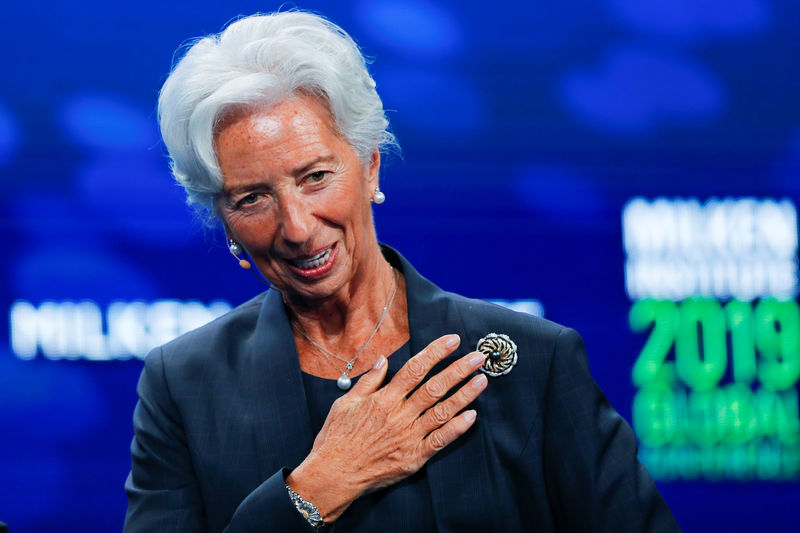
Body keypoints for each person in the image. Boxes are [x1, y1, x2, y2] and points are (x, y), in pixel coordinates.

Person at [124, 10, 679, 532]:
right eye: (251, 198)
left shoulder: (536, 363)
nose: (295, 227)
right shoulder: (186, 385)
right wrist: (318, 486)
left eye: (316, 176)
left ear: (369, 166)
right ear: (223, 217)